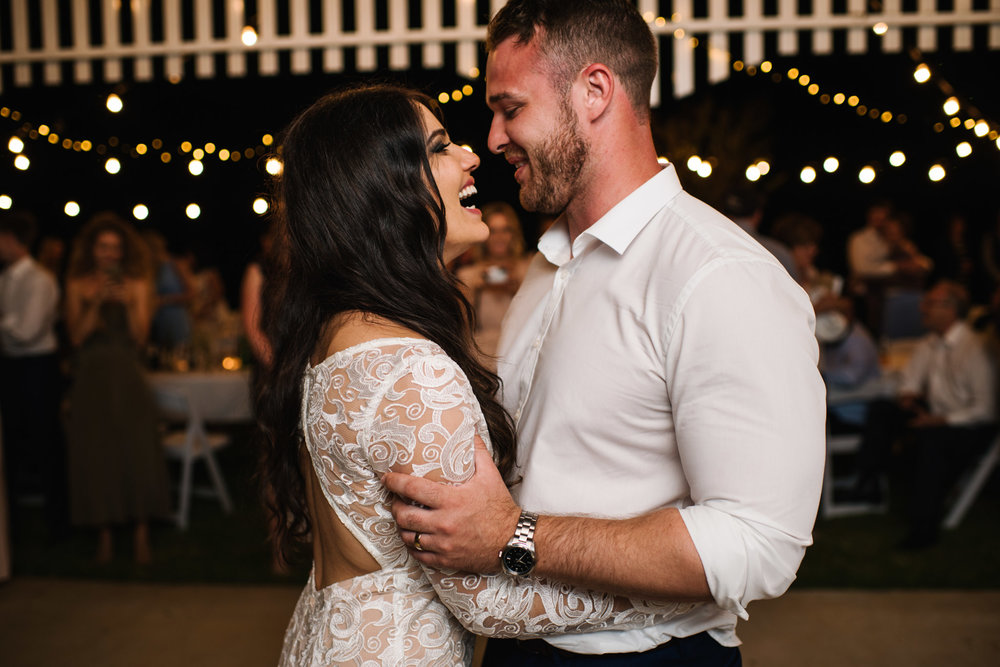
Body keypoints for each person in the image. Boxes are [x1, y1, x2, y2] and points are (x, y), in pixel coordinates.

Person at [383, 1, 825, 663]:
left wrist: (514, 536)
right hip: (513, 638)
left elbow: (759, 541)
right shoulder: (549, 259)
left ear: (595, 91)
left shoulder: (718, 276)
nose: (494, 138)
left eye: (510, 108)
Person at [258, 83, 690, 667]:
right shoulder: (408, 368)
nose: (470, 156)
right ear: (382, 191)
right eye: (439, 148)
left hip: (324, 637)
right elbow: (485, 602)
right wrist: (682, 599)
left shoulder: (341, 329)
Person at [846, 280, 996, 549]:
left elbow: (985, 409)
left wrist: (939, 421)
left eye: (930, 302)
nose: (921, 307)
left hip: (969, 425)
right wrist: (907, 396)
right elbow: (909, 380)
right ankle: (867, 479)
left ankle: (923, 528)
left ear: (950, 309)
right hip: (935, 413)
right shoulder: (929, 343)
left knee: (932, 443)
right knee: (883, 409)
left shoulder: (974, 349)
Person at [64, 212, 171, 564]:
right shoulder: (77, 283)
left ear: (123, 252)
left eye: (115, 248)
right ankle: (104, 536)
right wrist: (96, 302)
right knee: (97, 454)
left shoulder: (139, 284)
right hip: (92, 377)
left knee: (136, 450)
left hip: (127, 374)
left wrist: (126, 305)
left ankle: (141, 536)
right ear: (92, 250)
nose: (109, 253)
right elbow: (76, 338)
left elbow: (141, 340)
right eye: (103, 247)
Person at [0, 211, 67, 539]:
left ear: (10, 239)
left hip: (38, 368)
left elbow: (26, 331)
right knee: (11, 445)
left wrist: (5, 326)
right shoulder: (6, 278)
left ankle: (57, 522)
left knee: (46, 443)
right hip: (12, 367)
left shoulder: (40, 279)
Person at [456, 201, 533, 358]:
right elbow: (460, 328)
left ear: (514, 234)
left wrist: (518, 288)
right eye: (493, 231)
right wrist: (474, 290)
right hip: (482, 354)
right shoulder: (468, 274)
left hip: (520, 351)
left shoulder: (528, 269)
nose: (499, 237)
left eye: (505, 230)